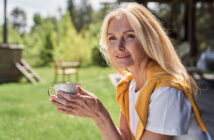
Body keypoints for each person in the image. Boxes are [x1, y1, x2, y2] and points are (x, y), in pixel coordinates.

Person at [49, 3, 212, 140]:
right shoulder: (129, 85)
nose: (118, 46)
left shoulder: (166, 91)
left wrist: (100, 114)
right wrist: (96, 115)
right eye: (112, 38)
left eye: (129, 36)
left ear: (148, 40)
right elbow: (124, 137)